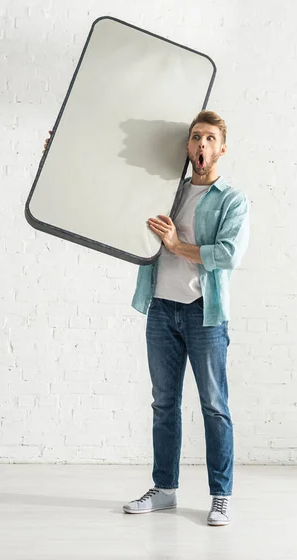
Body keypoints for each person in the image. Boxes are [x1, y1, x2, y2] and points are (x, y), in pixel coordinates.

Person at [124, 110, 250, 526]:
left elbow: (228, 255)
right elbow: (114, 196)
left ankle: (221, 496)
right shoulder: (167, 191)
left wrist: (178, 246)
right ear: (187, 146)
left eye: (211, 139)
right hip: (160, 308)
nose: (202, 145)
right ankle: (164, 490)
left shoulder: (231, 199)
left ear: (222, 148)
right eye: (196, 137)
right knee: (164, 404)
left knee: (215, 406)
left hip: (204, 314)